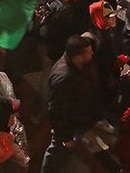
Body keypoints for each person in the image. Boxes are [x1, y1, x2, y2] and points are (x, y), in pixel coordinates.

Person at [41, 35, 101, 173]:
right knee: (57, 154)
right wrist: (66, 137)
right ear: (79, 56)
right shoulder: (64, 78)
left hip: (79, 121)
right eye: (89, 52)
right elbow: (57, 111)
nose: (92, 53)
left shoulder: (79, 65)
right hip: (69, 126)